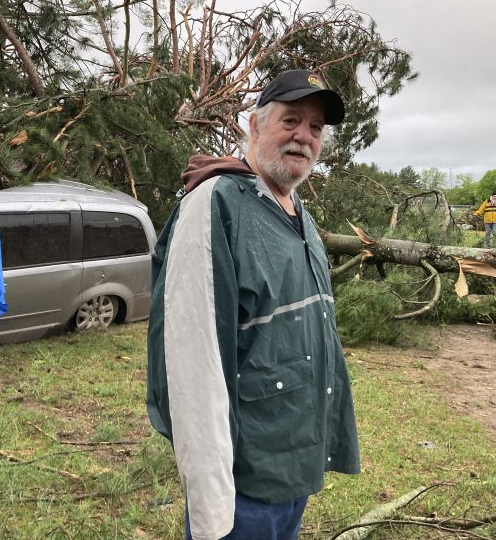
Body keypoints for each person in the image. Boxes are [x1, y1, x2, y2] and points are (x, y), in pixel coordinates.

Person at [146, 70, 360, 540]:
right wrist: (211, 506)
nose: (304, 136)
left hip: (292, 468)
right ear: (255, 124)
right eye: (291, 120)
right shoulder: (214, 205)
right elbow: (190, 364)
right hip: (244, 486)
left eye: (316, 127)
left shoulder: (298, 215)